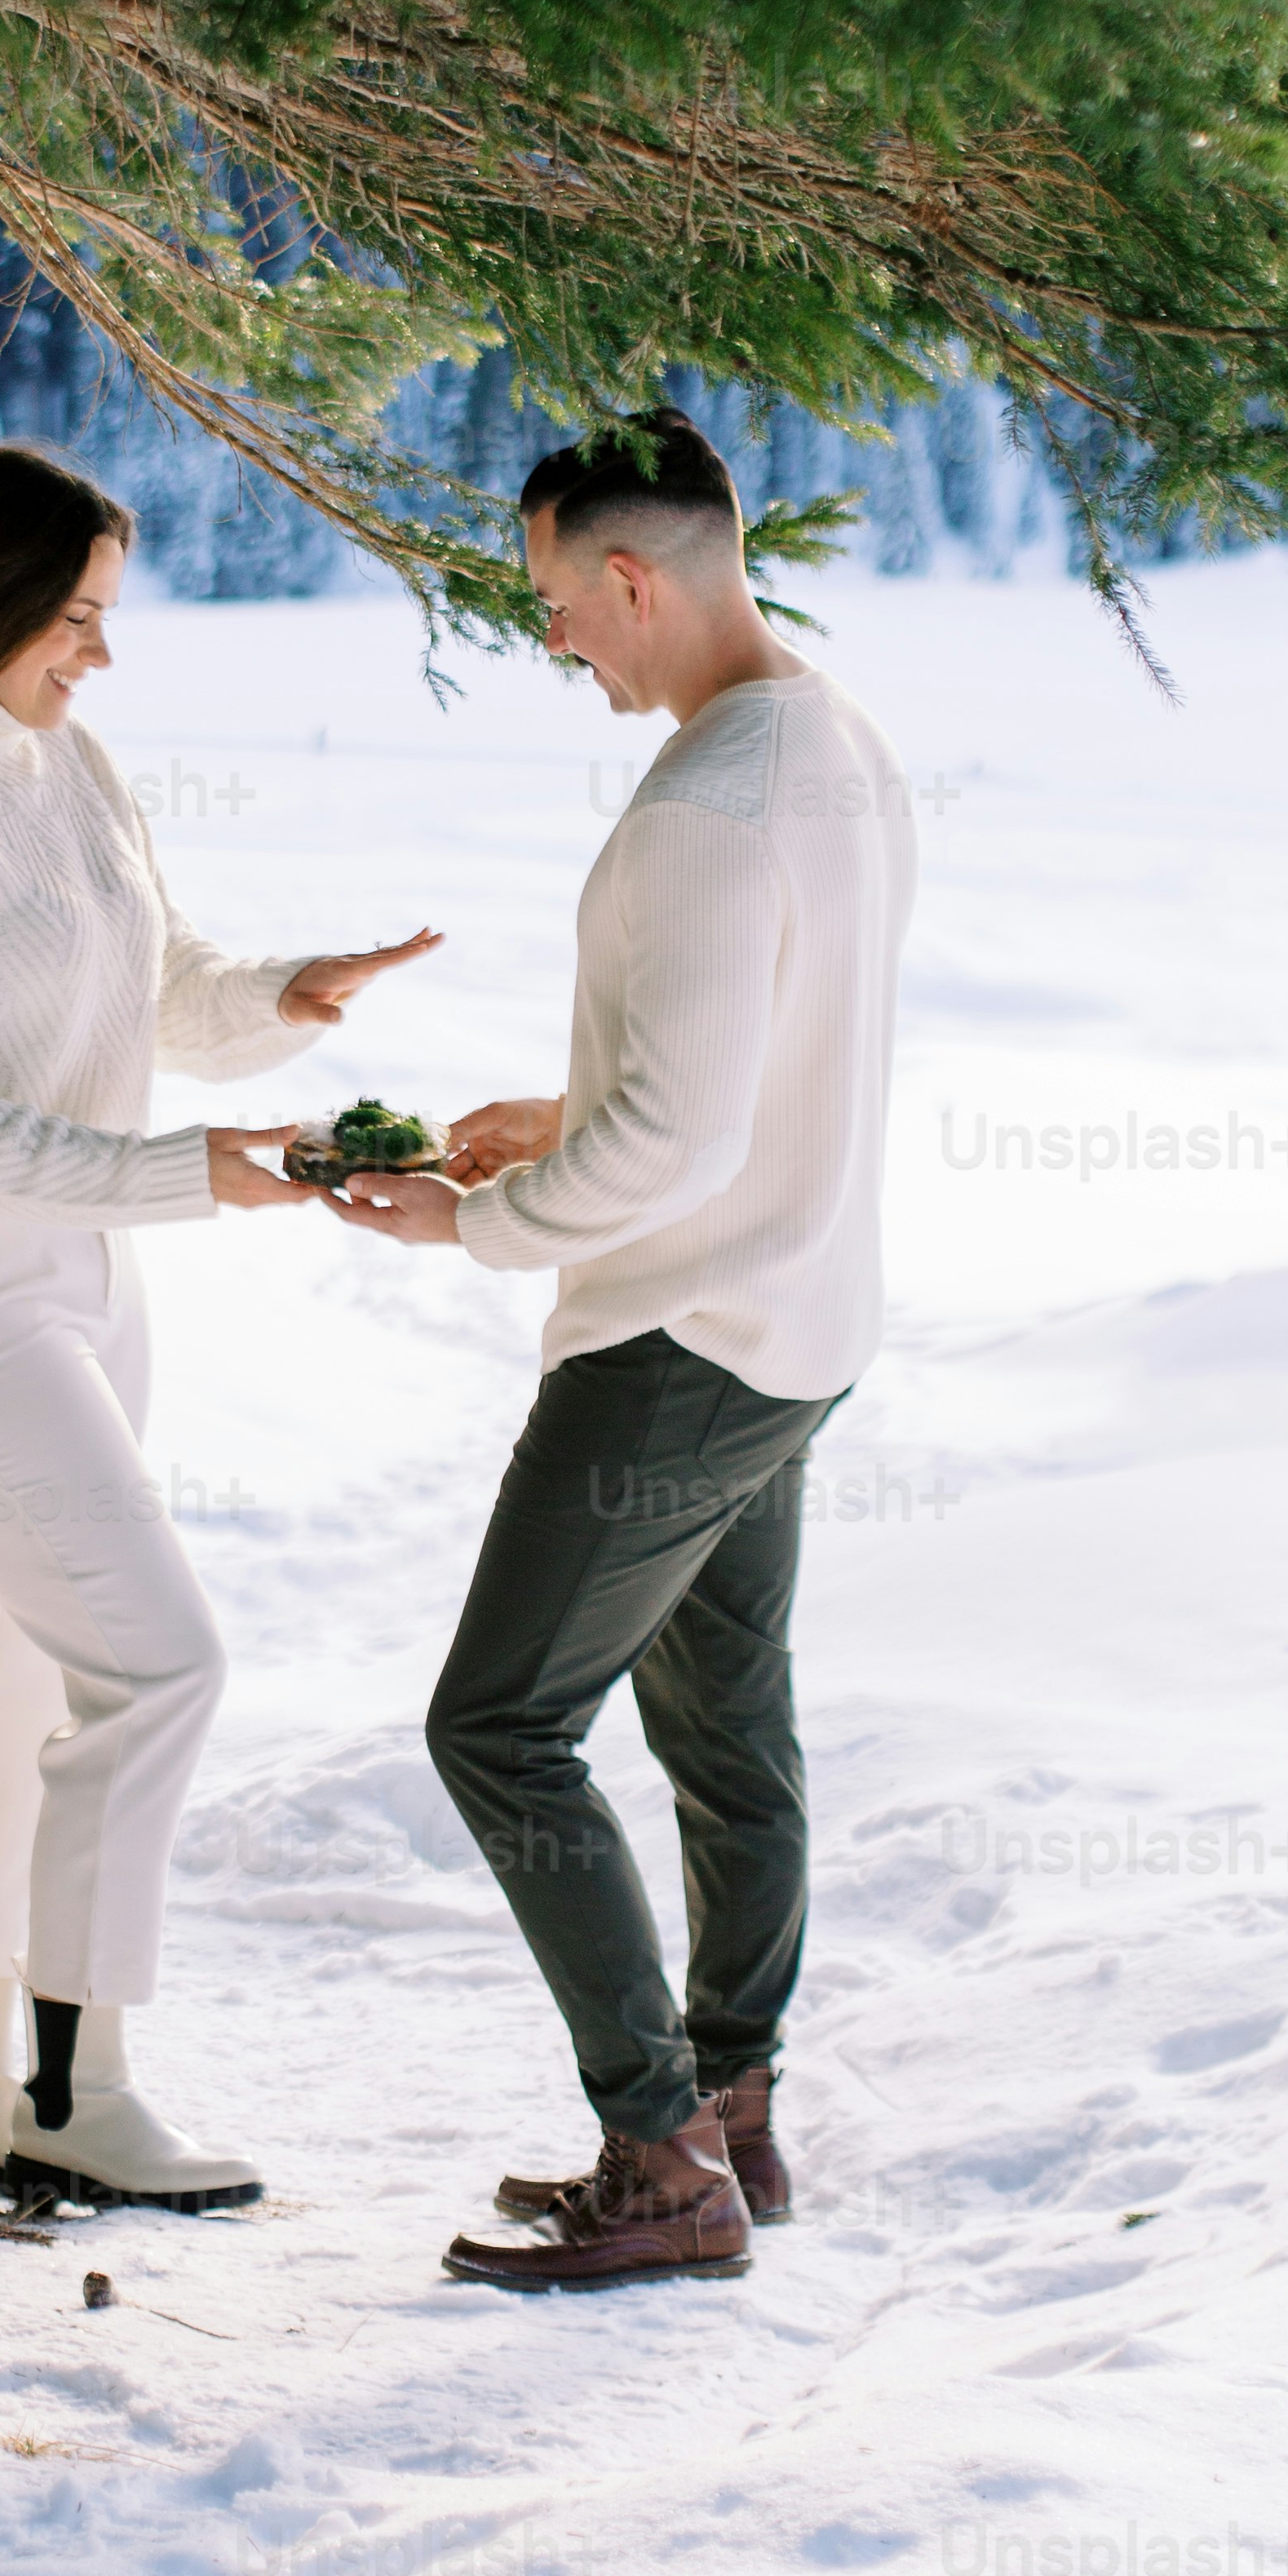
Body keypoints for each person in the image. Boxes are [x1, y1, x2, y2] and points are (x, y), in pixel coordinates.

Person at [0, 441, 440, 2209]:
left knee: (12, 1684)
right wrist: (186, 1172)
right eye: (73, 617)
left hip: (74, 1286)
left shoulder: (72, 767)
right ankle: (76, 2085)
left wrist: (282, 998)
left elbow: (156, 986)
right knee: (163, 1662)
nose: (101, 654)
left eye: (105, 618)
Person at [327, 410, 915, 2290]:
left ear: (634, 579)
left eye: (557, 606)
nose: (554, 640)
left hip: (677, 1336)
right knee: (729, 1730)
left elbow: (674, 1144)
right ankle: (733, 2106)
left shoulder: (697, 806)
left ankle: (660, 2163)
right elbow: (746, 1046)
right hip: (801, 1319)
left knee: (498, 1726)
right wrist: (560, 1104)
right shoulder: (833, 744)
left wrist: (476, 1219)